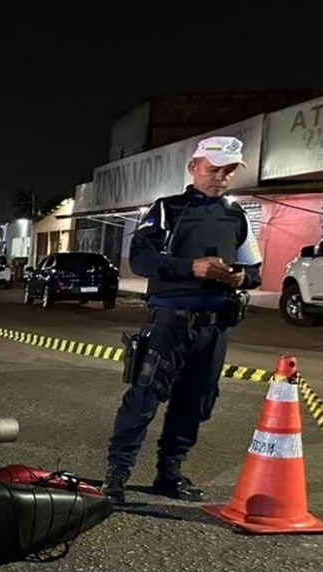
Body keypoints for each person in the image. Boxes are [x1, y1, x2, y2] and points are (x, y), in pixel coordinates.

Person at [102, 136, 262, 504]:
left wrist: (241, 277)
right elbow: (140, 259)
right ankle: (117, 474)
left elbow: (255, 269)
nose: (220, 177)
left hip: (215, 324)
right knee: (143, 397)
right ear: (194, 168)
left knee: (195, 401)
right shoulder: (167, 209)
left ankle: (169, 473)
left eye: (228, 172)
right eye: (213, 169)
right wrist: (191, 267)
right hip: (169, 322)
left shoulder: (236, 216)